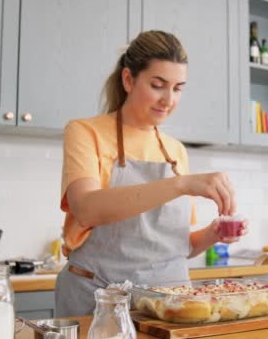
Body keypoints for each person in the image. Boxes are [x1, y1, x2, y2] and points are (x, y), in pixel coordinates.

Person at [55, 30, 248, 317]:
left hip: (167, 304)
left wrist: (212, 234)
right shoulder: (85, 132)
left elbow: (175, 247)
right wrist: (181, 184)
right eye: (158, 85)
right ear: (128, 80)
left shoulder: (175, 151)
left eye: (178, 88)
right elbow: (86, 209)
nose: (169, 100)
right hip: (98, 300)